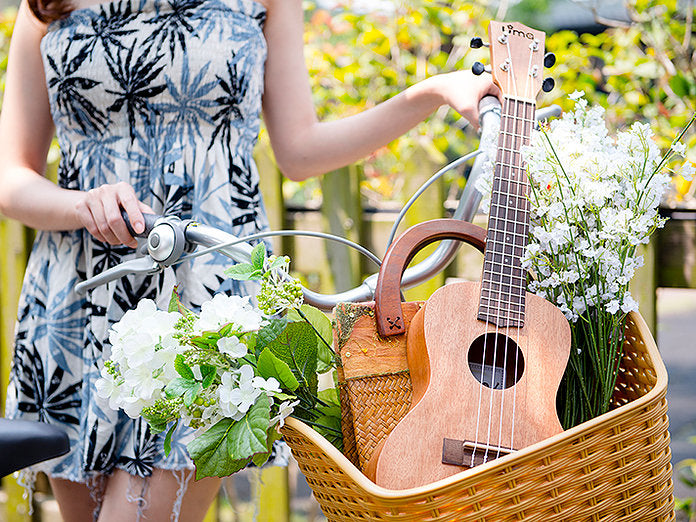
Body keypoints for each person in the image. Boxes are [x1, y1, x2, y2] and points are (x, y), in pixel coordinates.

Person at [0, 0, 500, 519]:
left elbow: (300, 150)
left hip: (206, 296)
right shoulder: (48, 5)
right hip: (79, 293)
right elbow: (10, 176)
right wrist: (82, 205)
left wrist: (431, 92)